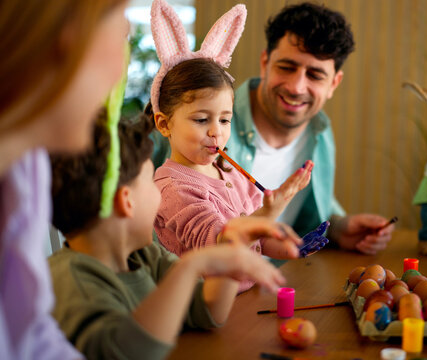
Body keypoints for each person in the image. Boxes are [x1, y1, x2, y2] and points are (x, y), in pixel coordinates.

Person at [48, 109, 295, 359]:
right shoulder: (69, 282)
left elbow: (208, 312)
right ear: (127, 201)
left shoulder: (145, 256)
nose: (159, 194)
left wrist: (235, 244)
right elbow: (130, 352)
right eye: (150, 182)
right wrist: (190, 267)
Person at [148, 1, 313, 290]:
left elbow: (256, 243)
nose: (216, 132)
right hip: (201, 309)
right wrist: (266, 215)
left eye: (225, 121)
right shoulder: (172, 186)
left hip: (244, 301)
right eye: (201, 119)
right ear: (164, 125)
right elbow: (218, 242)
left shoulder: (229, 172)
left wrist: (290, 246)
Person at [0, 1, 129, 358]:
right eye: (122, 38)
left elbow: (30, 332)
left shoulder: (28, 165)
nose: (120, 73)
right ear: (71, 39)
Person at [226, 2, 395, 255]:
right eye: (286, 67)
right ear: (265, 62)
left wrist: (337, 227)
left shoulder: (320, 132)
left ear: (334, 84)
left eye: (315, 75)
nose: (296, 87)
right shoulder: (207, 125)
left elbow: (306, 204)